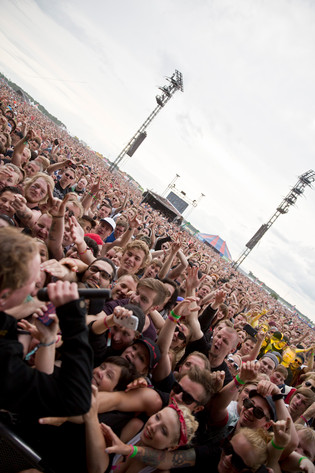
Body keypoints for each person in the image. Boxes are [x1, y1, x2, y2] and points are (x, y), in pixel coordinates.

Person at [0, 227, 93, 418]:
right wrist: (74, 322)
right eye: (32, 280)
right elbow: (74, 399)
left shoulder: (6, 327)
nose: (37, 288)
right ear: (6, 293)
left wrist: (48, 340)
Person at [87, 398, 199, 473]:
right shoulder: (135, 427)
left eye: (164, 431)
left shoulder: (158, 471)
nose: (153, 426)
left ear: (172, 447)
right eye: (157, 417)